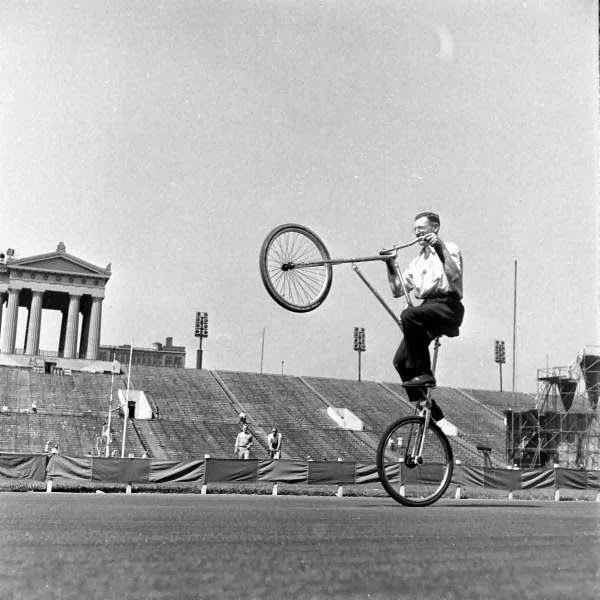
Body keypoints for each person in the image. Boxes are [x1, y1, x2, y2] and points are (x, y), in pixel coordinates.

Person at [384, 211, 464, 422]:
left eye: (421, 228)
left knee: (408, 315)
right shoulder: (418, 261)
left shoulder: (450, 248)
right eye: (415, 229)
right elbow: (397, 290)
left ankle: (426, 374)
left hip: (447, 306)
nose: (417, 232)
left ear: (435, 228)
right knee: (401, 361)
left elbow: (454, 275)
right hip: (427, 309)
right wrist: (389, 264)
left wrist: (439, 246)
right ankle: (426, 404)